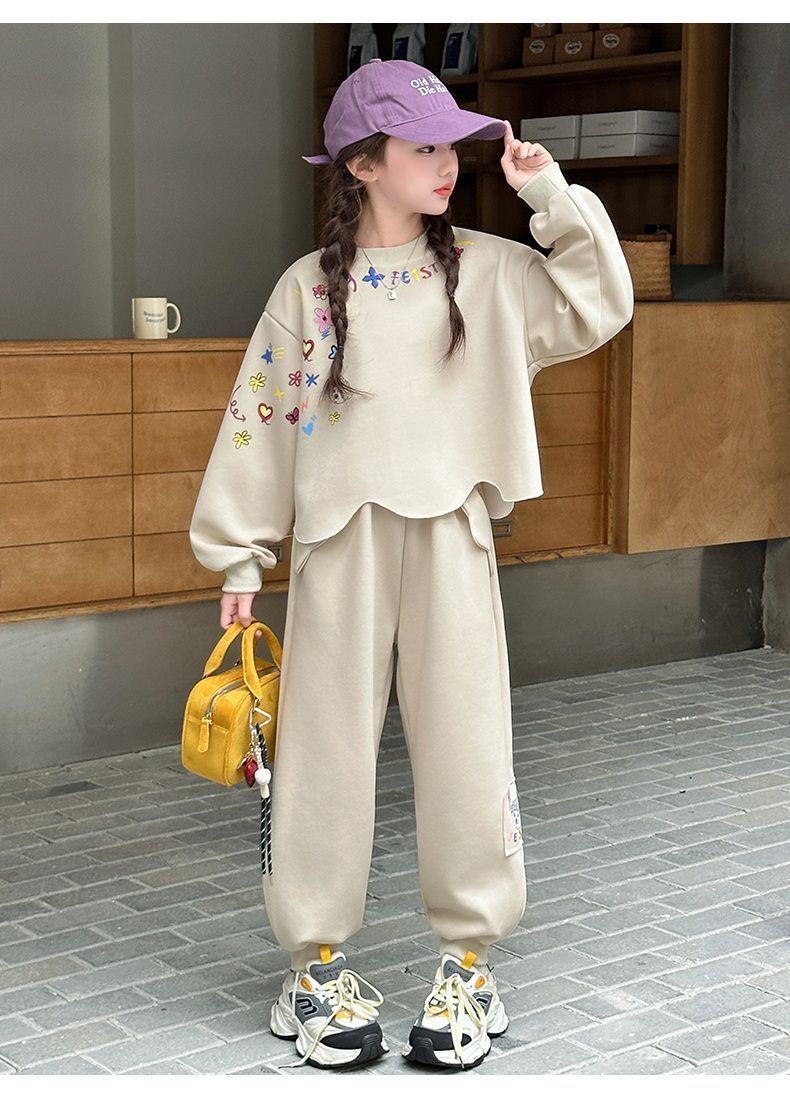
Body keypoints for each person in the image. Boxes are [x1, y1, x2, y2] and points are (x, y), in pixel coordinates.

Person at [189, 57, 634, 1072]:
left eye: (452, 145)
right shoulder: (307, 290)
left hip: (452, 535)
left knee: (469, 744)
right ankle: (312, 965)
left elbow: (601, 299)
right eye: (425, 146)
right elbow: (260, 418)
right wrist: (238, 554)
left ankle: (470, 961)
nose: (448, 163)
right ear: (361, 163)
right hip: (338, 543)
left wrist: (549, 197)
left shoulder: (489, 269)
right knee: (321, 755)